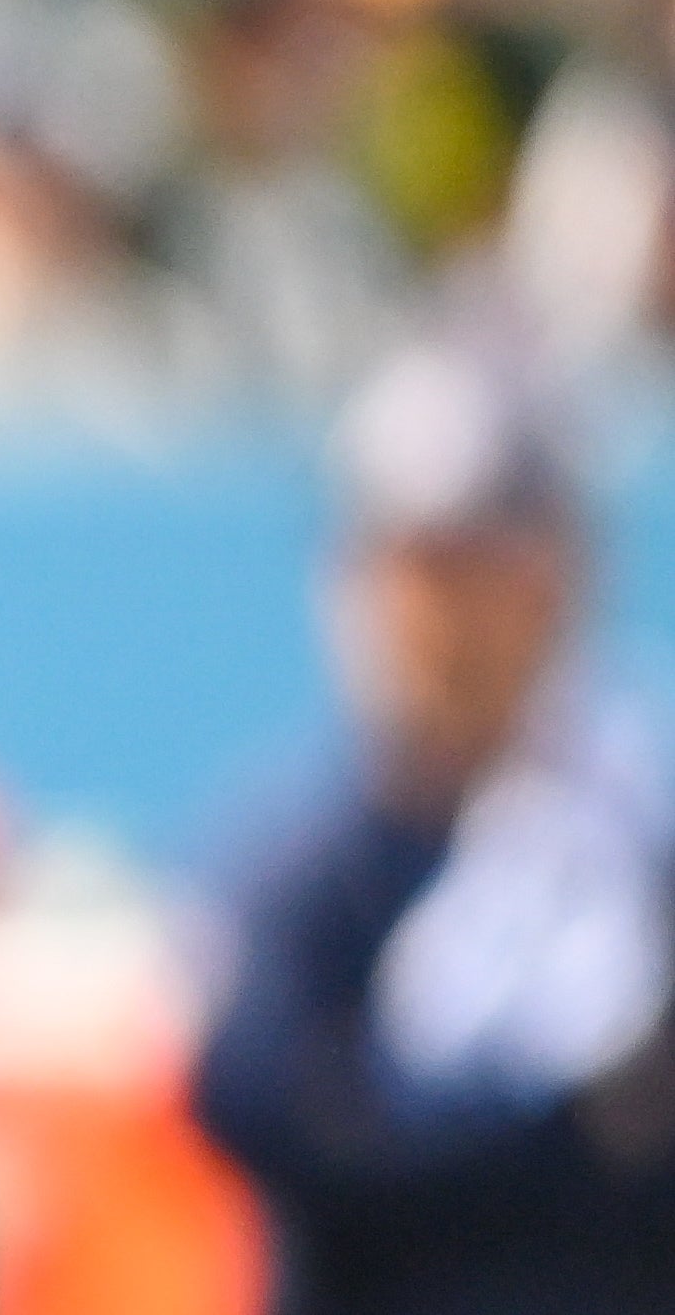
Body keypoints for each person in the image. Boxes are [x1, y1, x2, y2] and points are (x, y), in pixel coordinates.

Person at [190, 337, 675, 1313]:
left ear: (557, 583)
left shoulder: (638, 826)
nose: (438, 617)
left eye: (478, 572)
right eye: (409, 571)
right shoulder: (293, 864)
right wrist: (569, 1127)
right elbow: (267, 1120)